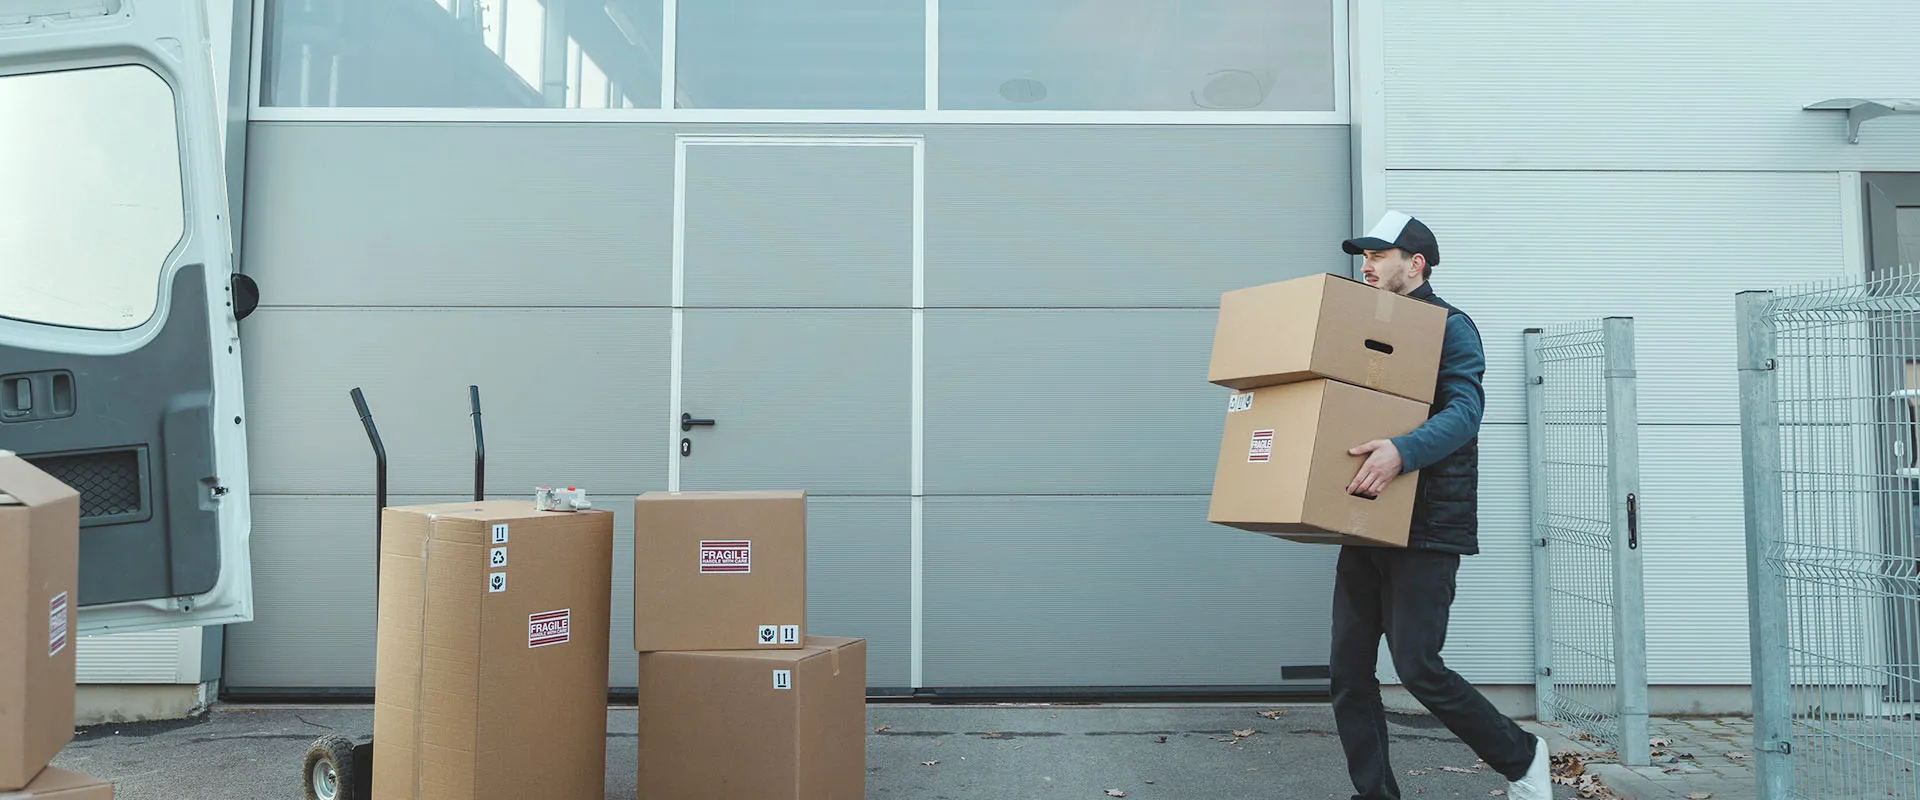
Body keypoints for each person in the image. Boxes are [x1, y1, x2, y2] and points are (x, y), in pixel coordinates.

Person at [1331, 211, 1552, 800]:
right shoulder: (1364, 325)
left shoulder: (1451, 327)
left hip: (1426, 523)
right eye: (1364, 256)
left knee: (1419, 666)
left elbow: (1464, 412)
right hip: (1366, 516)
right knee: (1349, 672)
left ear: (1416, 263)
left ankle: (1524, 756)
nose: (1367, 266)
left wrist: (1401, 453)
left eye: (1379, 256)